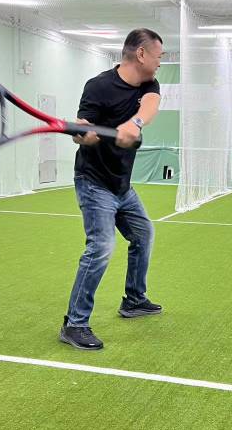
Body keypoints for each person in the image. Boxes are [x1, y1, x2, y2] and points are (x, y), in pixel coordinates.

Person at [59, 28, 164, 351]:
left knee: (143, 234)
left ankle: (134, 300)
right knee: (101, 246)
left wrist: (135, 123)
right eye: (158, 56)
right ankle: (75, 324)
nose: (160, 62)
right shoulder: (99, 86)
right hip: (94, 182)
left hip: (122, 185)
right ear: (141, 54)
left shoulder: (149, 84)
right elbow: (83, 130)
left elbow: (150, 106)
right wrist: (84, 135)